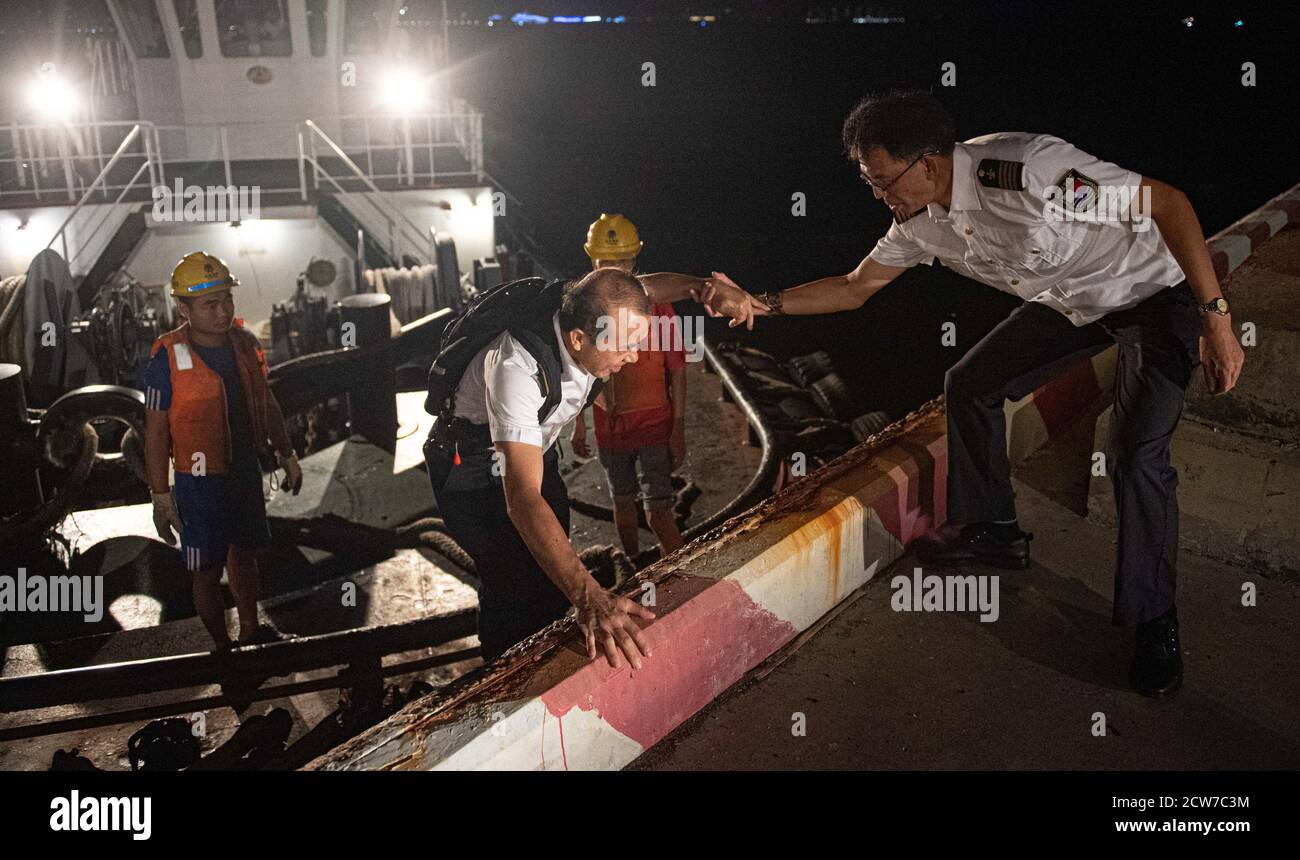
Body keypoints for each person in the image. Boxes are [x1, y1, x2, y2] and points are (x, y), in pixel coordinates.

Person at [700, 89, 1244, 697]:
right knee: (969, 383)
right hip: (1070, 304)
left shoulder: (1030, 172)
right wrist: (760, 303)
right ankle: (997, 530)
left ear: (926, 164)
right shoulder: (922, 221)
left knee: (1135, 454)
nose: (879, 197)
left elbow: (1169, 204)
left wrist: (1216, 319)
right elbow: (856, 287)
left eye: (883, 182)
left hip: (1152, 294)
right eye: (870, 182)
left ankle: (1154, 621)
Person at [424, 266, 757, 667]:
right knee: (510, 584)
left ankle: (551, 663)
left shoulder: (597, 307)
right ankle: (502, 679)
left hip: (534, 449)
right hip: (471, 468)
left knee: (550, 576)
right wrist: (591, 597)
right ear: (578, 339)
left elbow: (640, 291)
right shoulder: (516, 369)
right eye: (622, 346)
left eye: (637, 342)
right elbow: (523, 500)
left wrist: (704, 288)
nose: (633, 357)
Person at [144, 252, 304, 650]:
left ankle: (251, 630)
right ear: (183, 308)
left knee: (245, 552)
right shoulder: (165, 358)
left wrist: (286, 453)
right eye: (209, 304)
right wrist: (160, 496)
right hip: (198, 480)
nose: (222, 311)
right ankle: (222, 647)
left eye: (226, 300)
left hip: (244, 469)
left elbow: (266, 404)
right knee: (206, 567)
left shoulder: (246, 345)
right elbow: (155, 431)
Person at [571, 214, 686, 558]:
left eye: (622, 261)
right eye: (606, 262)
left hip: (653, 424)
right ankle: (634, 568)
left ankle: (686, 578)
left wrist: (678, 427)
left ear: (635, 259)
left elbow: (678, 369)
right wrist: (580, 424)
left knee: (658, 514)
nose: (615, 269)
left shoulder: (659, 307)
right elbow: (578, 370)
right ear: (591, 260)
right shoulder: (582, 310)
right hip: (610, 428)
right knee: (622, 503)